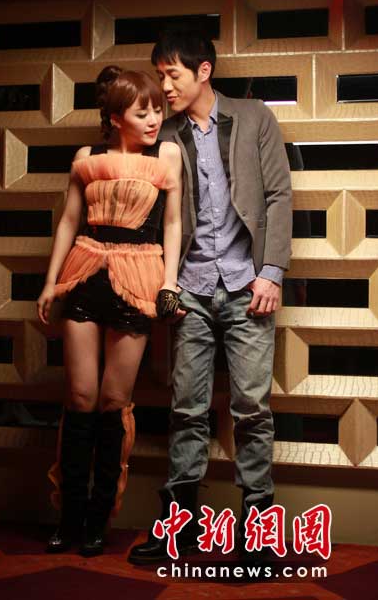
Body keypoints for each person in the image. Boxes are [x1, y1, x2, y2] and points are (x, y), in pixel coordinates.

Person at [128, 30, 292, 565]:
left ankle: (259, 533)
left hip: (248, 286)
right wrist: (163, 281)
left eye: (172, 74)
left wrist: (272, 273)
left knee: (252, 411)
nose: (164, 86)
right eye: (160, 75)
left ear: (204, 71)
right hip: (190, 289)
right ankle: (180, 530)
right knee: (186, 410)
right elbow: (151, 209)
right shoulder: (164, 132)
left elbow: (278, 194)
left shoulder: (254, 117)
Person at [37, 66, 182, 557]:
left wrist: (169, 283)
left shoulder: (167, 156)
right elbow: (69, 221)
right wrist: (51, 283)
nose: (154, 120)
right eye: (143, 112)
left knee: (113, 400)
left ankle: (99, 518)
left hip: (139, 277)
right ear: (116, 117)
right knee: (79, 396)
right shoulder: (87, 158)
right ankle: (69, 516)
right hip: (85, 271)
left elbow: (173, 224)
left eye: (158, 110)